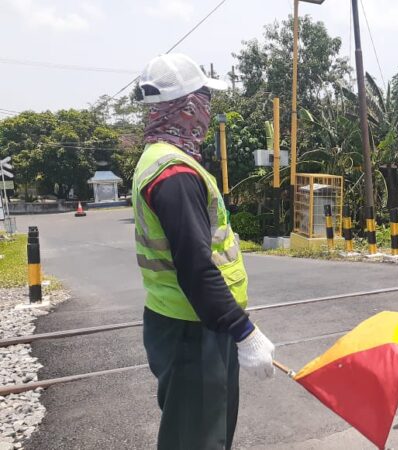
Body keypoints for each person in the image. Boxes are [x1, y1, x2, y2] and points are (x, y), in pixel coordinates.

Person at [132, 53, 275, 449]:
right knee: (196, 440)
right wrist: (243, 331)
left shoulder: (163, 160)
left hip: (194, 323)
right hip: (192, 330)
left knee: (206, 432)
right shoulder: (174, 173)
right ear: (189, 107)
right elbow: (195, 266)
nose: (208, 112)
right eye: (205, 101)